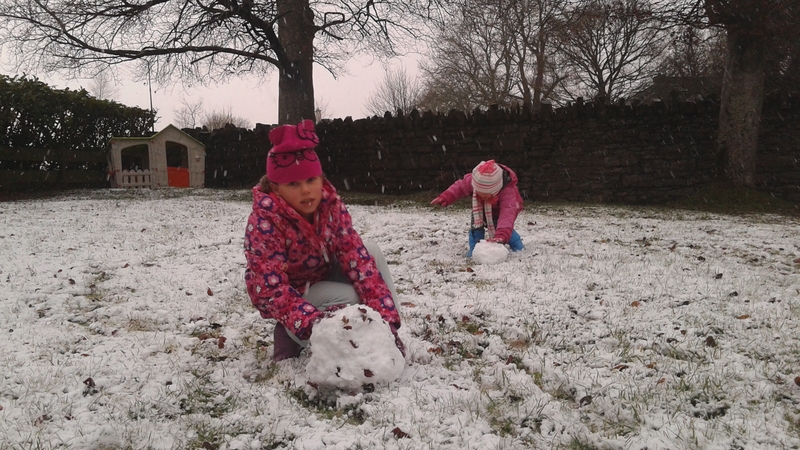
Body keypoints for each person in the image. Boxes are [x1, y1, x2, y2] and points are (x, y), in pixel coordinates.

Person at [243, 119, 404, 362]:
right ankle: (289, 333)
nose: (306, 191)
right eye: (293, 184)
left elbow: (357, 259)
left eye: (311, 180)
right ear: (276, 189)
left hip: (321, 275)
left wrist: (387, 320)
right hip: (296, 295)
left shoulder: (330, 208)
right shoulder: (266, 222)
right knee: (351, 297)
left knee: (370, 252)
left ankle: (385, 334)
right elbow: (270, 289)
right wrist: (309, 325)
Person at [431, 160, 524, 257]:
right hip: (479, 209)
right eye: (479, 194)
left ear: (496, 190)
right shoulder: (475, 180)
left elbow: (507, 215)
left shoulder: (507, 192)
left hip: (500, 211)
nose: (483, 197)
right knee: (476, 226)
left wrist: (501, 235)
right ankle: (474, 248)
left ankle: (517, 245)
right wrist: (446, 196)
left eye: (487, 196)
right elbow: (460, 187)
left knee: (501, 227)